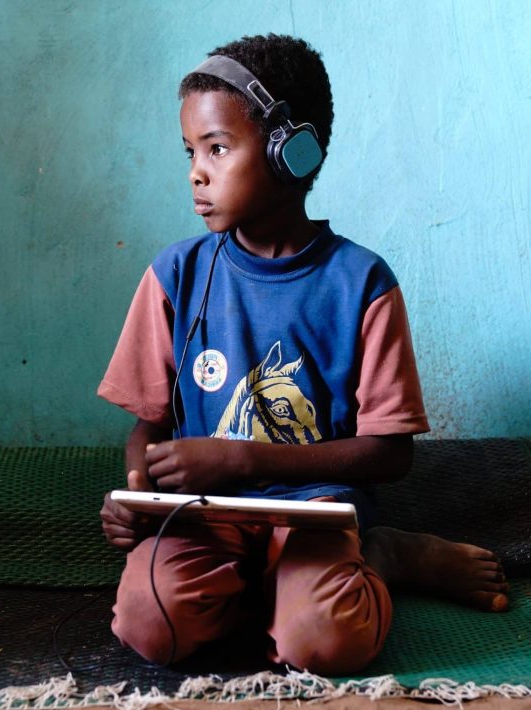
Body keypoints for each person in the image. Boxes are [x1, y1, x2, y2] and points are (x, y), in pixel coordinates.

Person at [98, 34, 508, 676]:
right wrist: (138, 492)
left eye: (217, 148)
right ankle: (264, 588)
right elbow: (147, 425)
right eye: (190, 152)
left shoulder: (362, 283)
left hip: (317, 510)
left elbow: (389, 453)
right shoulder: (175, 275)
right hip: (204, 516)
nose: (194, 173)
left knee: (324, 644)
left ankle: (383, 556)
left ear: (292, 151)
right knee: (151, 623)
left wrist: (240, 457)